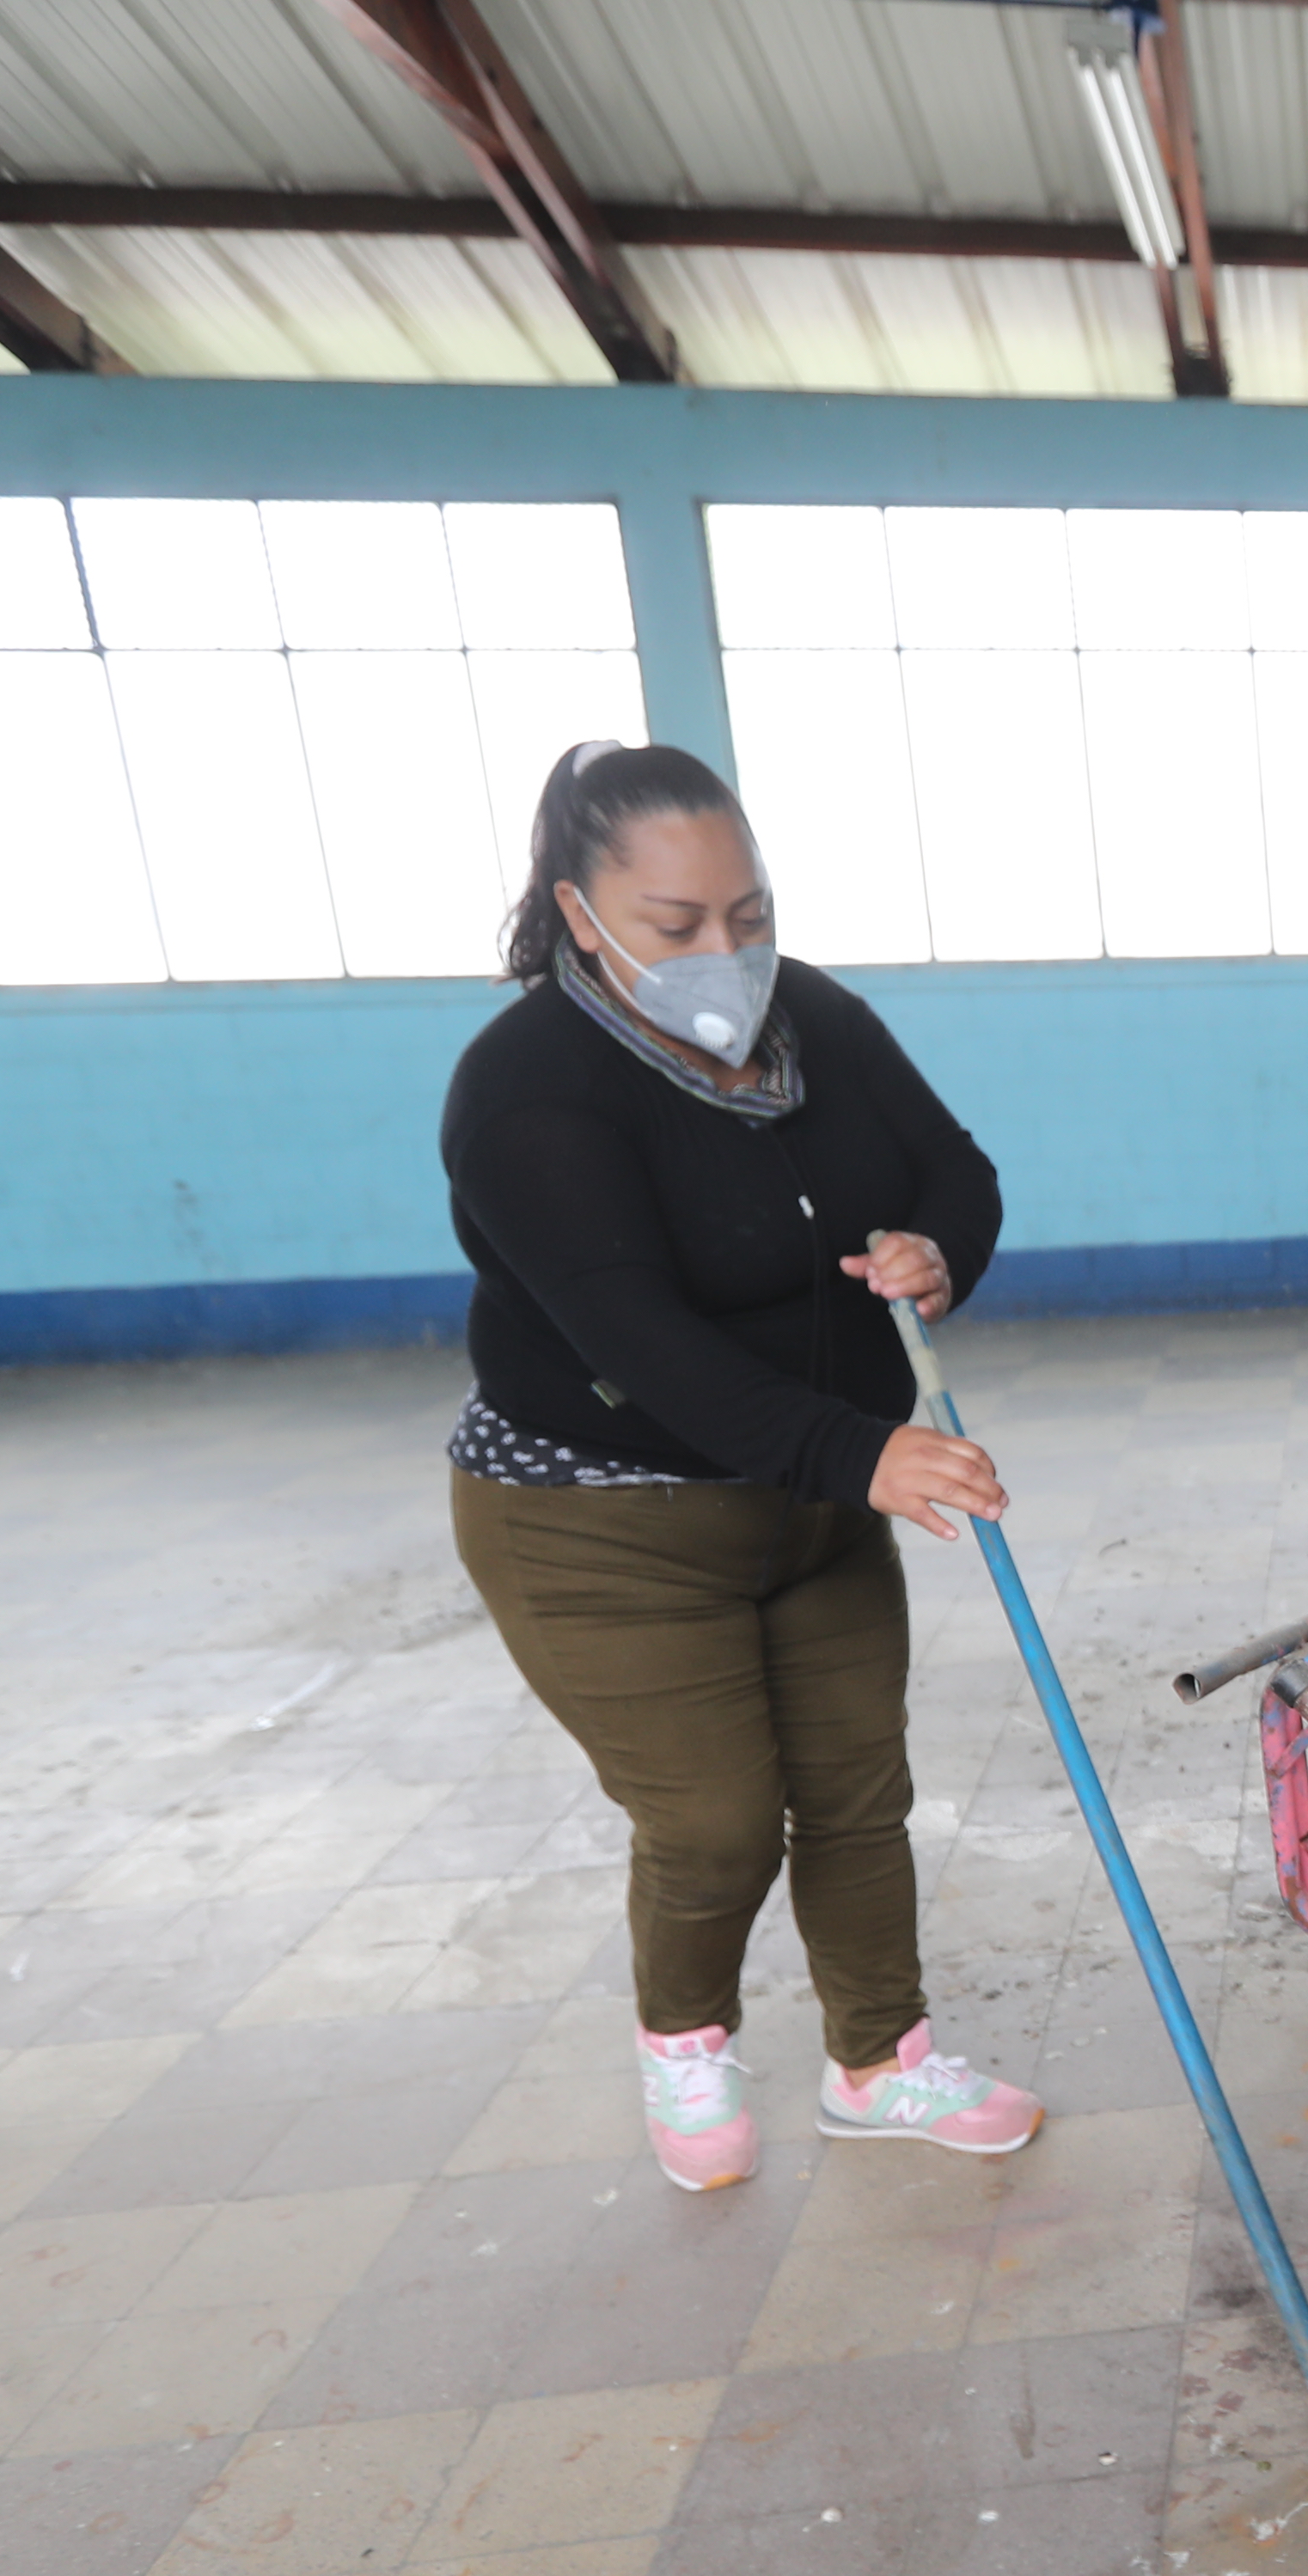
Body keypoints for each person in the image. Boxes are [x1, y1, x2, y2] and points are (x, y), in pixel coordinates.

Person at [439, 740, 1041, 2192]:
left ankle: (880, 2061)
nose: (727, 953)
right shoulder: (524, 1090)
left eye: (748, 914)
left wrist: (937, 1250)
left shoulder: (812, 1015)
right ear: (582, 913)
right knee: (712, 1819)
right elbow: (639, 1337)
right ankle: (684, 2047)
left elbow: (954, 1165)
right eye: (676, 925)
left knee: (853, 1792)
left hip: (809, 1498)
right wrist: (868, 1452)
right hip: (599, 1520)